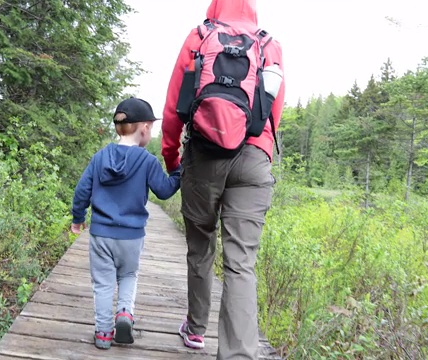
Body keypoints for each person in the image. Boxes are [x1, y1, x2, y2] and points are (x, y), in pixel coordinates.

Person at [161, 0, 285, 359]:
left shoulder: (200, 36)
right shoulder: (269, 45)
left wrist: (172, 158)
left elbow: (174, 107)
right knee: (241, 263)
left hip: (204, 155)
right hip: (254, 158)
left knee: (200, 247)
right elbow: (273, 111)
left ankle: (195, 330)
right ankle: (239, 355)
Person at [71, 97, 182, 350]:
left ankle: (102, 333)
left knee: (102, 283)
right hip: (132, 237)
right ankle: (124, 313)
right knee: (129, 275)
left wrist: (78, 219)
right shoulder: (147, 161)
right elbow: (164, 191)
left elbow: (82, 191)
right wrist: (179, 172)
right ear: (144, 128)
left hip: (101, 235)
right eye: (151, 128)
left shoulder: (100, 157)